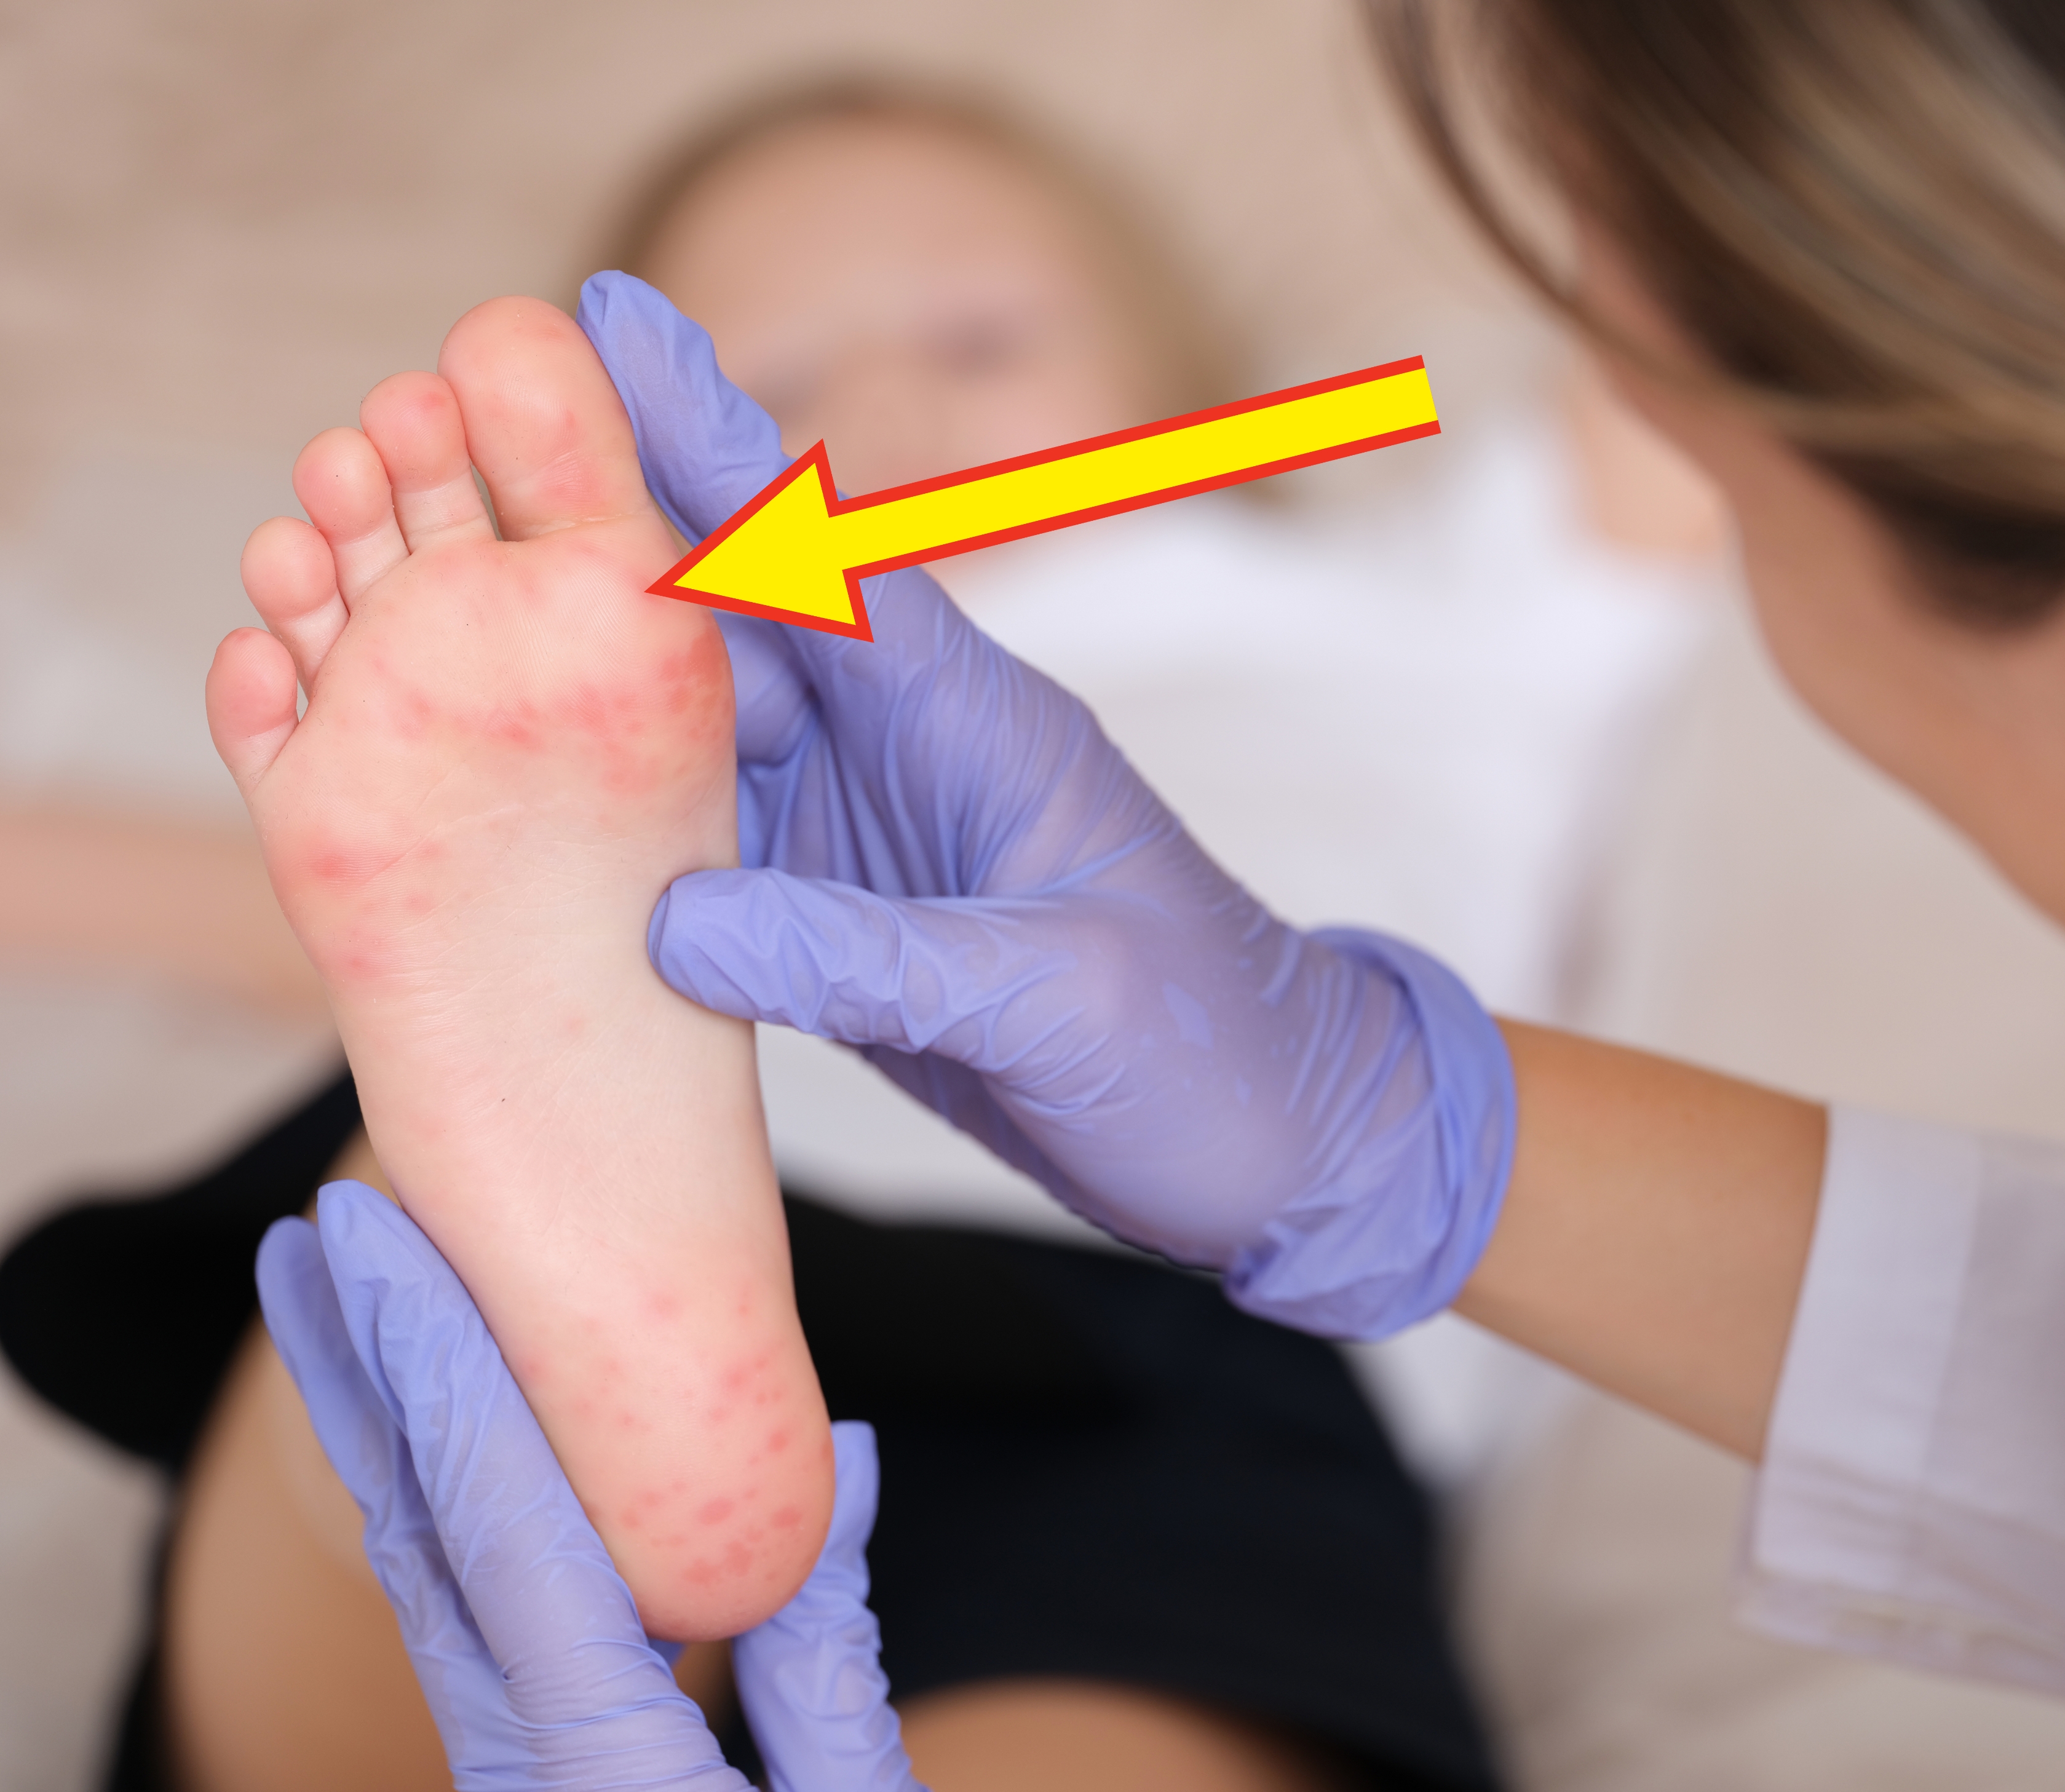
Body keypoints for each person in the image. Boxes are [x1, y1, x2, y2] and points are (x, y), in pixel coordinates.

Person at [288, 1, 2065, 1786]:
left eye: (1757, 506)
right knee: (370, 1368)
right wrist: (1396, 1126)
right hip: (855, 1195)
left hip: (1165, 1402)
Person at [3, 80, 1542, 1792]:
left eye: (977, 336)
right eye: (784, 392)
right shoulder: (658, 698)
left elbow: (1708, 397)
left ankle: (508, 1331)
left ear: (1191, 381)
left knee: (407, 1377)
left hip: (1185, 1305)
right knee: (426, 1258)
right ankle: (531, 1273)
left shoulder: (1413, 603)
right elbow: (270, 906)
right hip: (783, 1208)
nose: (887, 403)